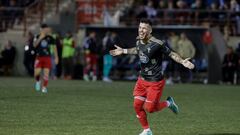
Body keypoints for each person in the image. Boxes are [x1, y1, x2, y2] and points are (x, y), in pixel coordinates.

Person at [110, 19, 194, 135]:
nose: (141, 30)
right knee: (137, 105)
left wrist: (182, 62)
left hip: (155, 82)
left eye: (144, 28)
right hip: (142, 79)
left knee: (150, 109)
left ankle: (169, 103)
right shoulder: (138, 40)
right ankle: (147, 130)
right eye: (140, 27)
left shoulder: (158, 43)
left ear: (150, 30)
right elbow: (138, 50)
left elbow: (172, 53)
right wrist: (123, 51)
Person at [33, 24, 58, 93]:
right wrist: (40, 38)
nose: (46, 30)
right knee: (36, 73)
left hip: (47, 57)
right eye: (44, 29)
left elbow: (54, 48)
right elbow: (34, 45)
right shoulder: (37, 36)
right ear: (41, 29)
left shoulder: (50, 37)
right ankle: (38, 81)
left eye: (47, 29)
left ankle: (44, 87)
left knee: (46, 73)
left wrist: (56, 57)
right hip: (39, 57)